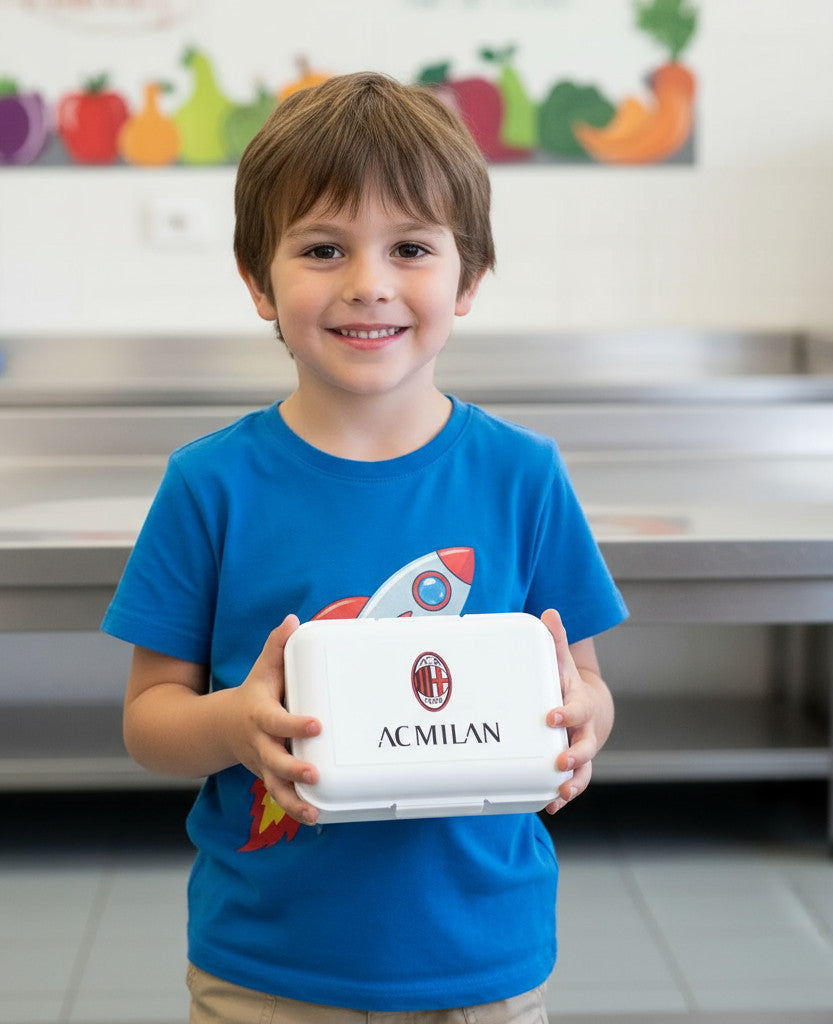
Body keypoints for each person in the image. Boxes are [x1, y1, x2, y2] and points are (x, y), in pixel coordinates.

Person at [102, 71, 627, 1023]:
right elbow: (150, 721)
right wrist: (236, 726)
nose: (368, 283)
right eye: (323, 248)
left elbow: (583, 684)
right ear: (258, 280)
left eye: (411, 248)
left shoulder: (524, 476)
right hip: (267, 967)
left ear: (469, 278)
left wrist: (585, 720)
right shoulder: (210, 485)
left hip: (485, 961)